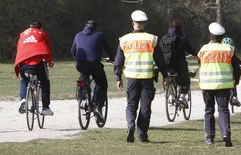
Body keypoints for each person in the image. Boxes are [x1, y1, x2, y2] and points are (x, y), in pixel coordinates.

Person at [114, 10, 169, 143]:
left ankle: (130, 123)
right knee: (145, 108)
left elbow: (118, 60)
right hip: (147, 78)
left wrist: (118, 77)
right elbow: (160, 59)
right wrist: (165, 76)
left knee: (131, 105)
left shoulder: (124, 39)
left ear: (133, 23)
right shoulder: (152, 39)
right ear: (144, 24)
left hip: (131, 78)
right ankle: (142, 136)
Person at [197, 22, 241, 147]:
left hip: (207, 85)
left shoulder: (203, 49)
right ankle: (226, 134)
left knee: (209, 110)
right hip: (224, 84)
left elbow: (200, 62)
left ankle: (209, 138)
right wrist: (236, 80)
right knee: (223, 110)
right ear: (222, 36)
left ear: (210, 36)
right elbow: (236, 67)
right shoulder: (229, 49)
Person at [71, 20, 115, 124]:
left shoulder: (78, 35)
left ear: (85, 26)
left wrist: (77, 59)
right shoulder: (99, 35)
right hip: (95, 64)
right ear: (95, 28)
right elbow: (108, 48)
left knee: (83, 76)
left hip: (80, 65)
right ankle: (98, 107)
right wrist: (112, 58)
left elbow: (73, 50)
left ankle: (81, 92)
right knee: (102, 84)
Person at [14, 21, 54, 115]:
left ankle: (23, 99)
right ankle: (45, 107)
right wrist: (50, 61)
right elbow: (47, 48)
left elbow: (19, 47)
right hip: (36, 64)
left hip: (23, 63)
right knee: (44, 82)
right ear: (40, 28)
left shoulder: (23, 34)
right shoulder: (42, 33)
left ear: (30, 27)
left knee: (24, 79)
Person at [160, 19, 197, 108]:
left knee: (169, 79)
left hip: (167, 66)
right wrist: (195, 54)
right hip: (180, 66)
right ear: (180, 28)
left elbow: (160, 51)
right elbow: (190, 49)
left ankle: (171, 96)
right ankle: (182, 97)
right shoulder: (182, 38)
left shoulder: (164, 38)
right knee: (185, 81)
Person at [222, 37, 241, 107]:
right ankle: (234, 97)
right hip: (230, 74)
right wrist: (237, 81)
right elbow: (237, 69)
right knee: (233, 83)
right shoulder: (233, 56)